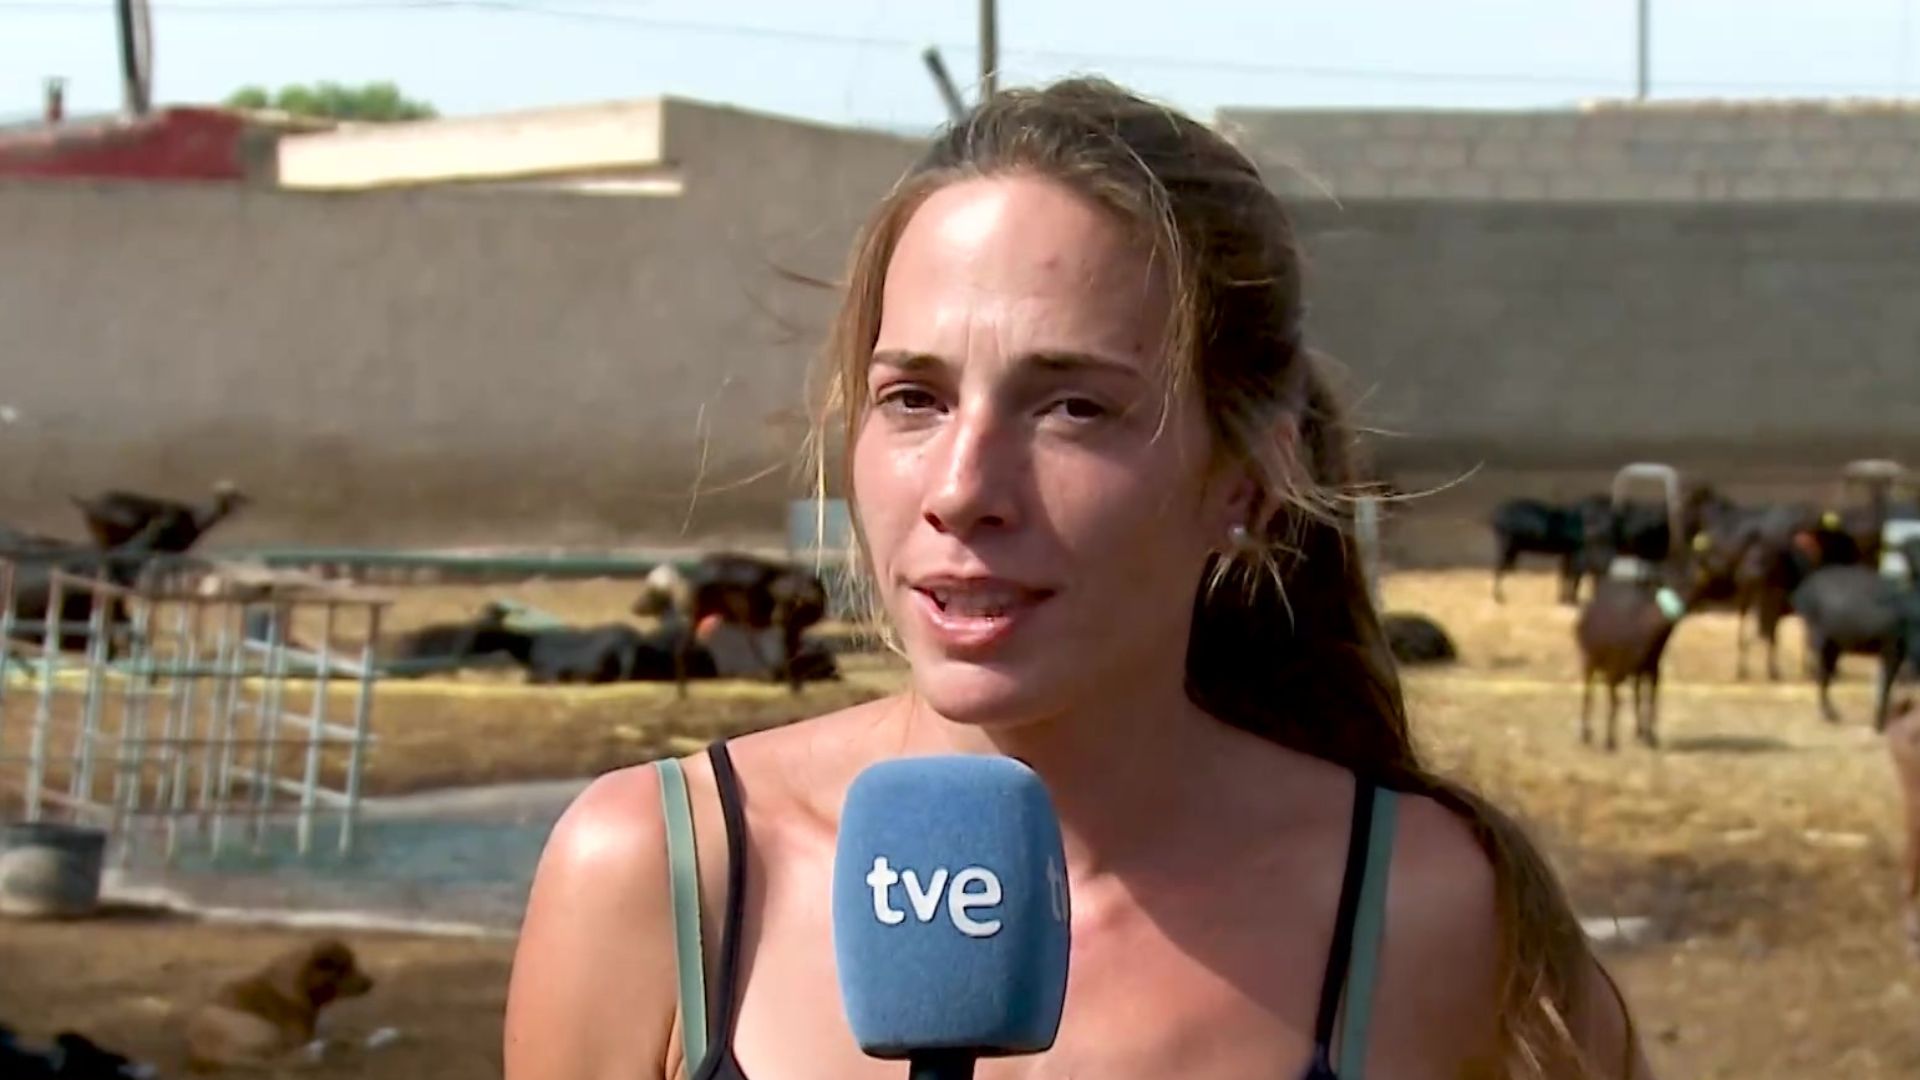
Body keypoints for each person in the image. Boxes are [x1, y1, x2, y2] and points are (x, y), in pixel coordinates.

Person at [503, 76, 1657, 1080]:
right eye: (914, 398)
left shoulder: (1431, 920)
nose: (964, 488)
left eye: (1072, 407)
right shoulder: (656, 878)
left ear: (1245, 481)